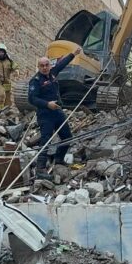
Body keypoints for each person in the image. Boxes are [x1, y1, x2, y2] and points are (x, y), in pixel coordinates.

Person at [28, 47, 82, 179]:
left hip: (57, 112)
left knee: (67, 137)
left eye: (47, 65)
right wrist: (47, 104)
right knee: (46, 141)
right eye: (42, 66)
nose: (45, 68)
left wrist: (73, 54)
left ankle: (59, 159)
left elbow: (61, 64)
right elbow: (32, 99)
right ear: (38, 67)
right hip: (45, 115)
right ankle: (40, 169)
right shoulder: (35, 81)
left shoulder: (52, 73)